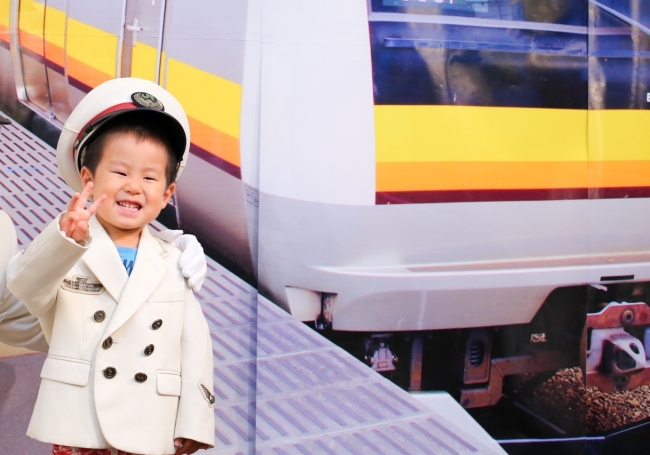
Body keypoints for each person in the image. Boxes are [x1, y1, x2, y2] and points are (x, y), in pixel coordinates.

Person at [6, 78, 215, 455]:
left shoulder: (174, 259)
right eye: (119, 172)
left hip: (152, 424)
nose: (134, 187)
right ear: (88, 179)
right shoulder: (69, 247)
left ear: (167, 194)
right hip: (80, 424)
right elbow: (25, 287)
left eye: (150, 177)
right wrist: (63, 239)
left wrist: (196, 419)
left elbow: (195, 345)